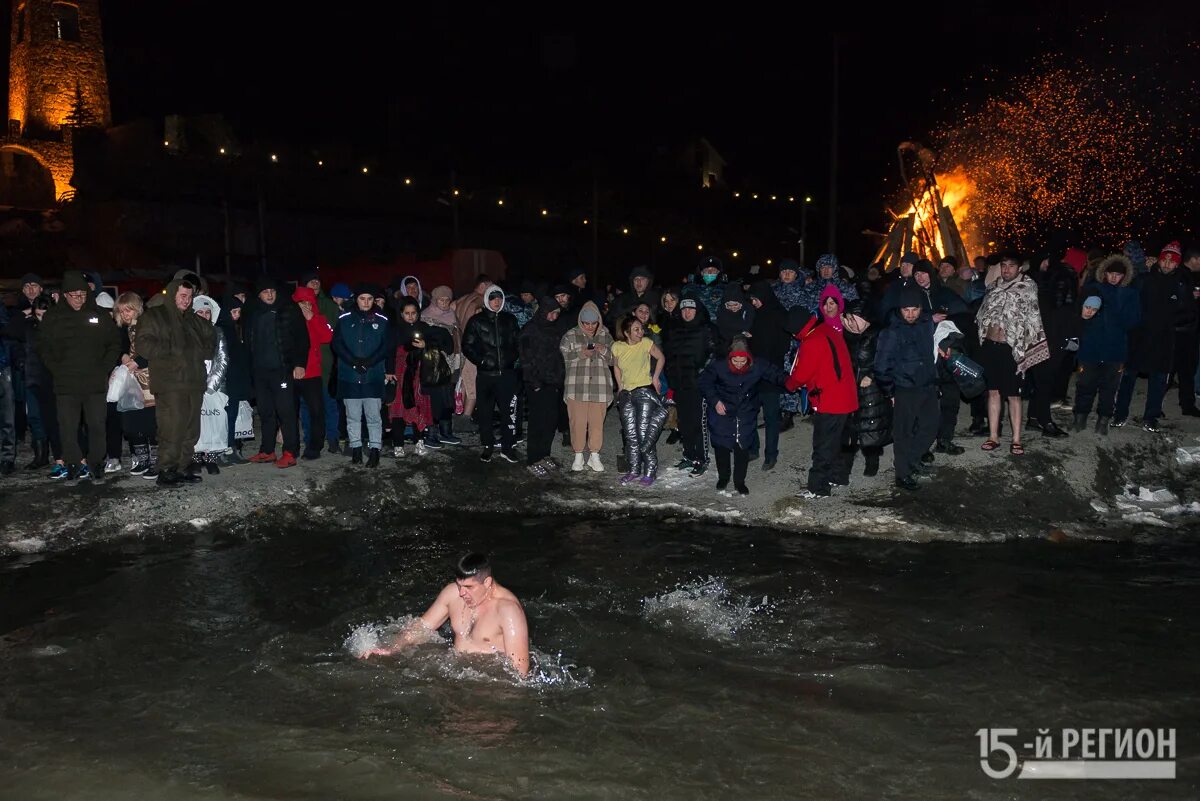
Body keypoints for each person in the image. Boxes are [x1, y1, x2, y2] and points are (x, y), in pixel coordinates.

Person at [360, 553, 530, 678]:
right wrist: (392, 648)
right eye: (459, 585)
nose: (462, 593)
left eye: (469, 587)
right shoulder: (452, 594)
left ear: (487, 582)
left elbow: (520, 671)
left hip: (484, 680)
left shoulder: (508, 611)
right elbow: (421, 628)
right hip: (454, 671)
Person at [35, 271, 122, 483]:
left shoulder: (100, 315)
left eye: (82, 294)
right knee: (68, 426)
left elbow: (114, 343)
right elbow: (43, 347)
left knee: (97, 425)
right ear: (64, 295)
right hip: (66, 383)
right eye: (73, 295)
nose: (78, 299)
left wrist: (104, 367)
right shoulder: (53, 318)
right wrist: (56, 368)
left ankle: (96, 463)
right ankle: (73, 462)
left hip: (94, 382)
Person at [135, 278, 215, 487]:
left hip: (194, 381)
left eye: (189, 297)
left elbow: (211, 337)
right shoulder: (155, 316)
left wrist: (198, 351)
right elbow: (143, 344)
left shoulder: (193, 320)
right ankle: (166, 470)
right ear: (172, 294)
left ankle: (182, 467)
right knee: (172, 427)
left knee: (191, 429)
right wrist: (172, 350)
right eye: (182, 296)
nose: (187, 301)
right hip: (170, 383)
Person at [1114, 241, 1195, 432]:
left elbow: (1189, 312)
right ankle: (1119, 415)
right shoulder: (1144, 279)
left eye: (1172, 260)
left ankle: (1150, 418)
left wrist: (1171, 324)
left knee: (1158, 381)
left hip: (1164, 340)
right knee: (1128, 377)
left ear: (1178, 263)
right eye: (1164, 259)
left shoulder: (1182, 283)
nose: (1167, 263)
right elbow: (1129, 304)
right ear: (1158, 260)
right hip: (1139, 337)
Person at [975, 253, 1046, 455]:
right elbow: (983, 313)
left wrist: (1025, 349)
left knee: (1014, 395)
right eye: (1004, 266)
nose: (1006, 270)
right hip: (990, 345)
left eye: (1011, 266)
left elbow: (1032, 319)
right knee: (993, 392)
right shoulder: (993, 287)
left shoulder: (1027, 288)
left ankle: (1016, 439)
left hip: (1011, 348)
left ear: (1019, 268)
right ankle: (993, 436)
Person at [698, 337, 788, 494]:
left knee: (742, 446)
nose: (739, 364)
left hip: (745, 410)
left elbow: (776, 374)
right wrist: (715, 401)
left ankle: (739, 481)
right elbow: (705, 382)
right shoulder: (718, 366)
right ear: (730, 358)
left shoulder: (757, 365)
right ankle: (723, 477)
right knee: (722, 446)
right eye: (735, 361)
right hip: (722, 410)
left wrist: (793, 381)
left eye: (742, 361)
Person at [784, 308, 858, 497]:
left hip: (830, 401)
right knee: (839, 441)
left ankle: (818, 488)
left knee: (823, 445)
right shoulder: (827, 329)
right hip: (846, 396)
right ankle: (839, 477)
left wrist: (789, 384)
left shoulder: (812, 341)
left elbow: (802, 374)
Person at [243, 276, 310, 468]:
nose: (270, 294)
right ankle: (267, 450)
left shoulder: (289, 308)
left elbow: (301, 338)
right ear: (259, 294)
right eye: (265, 292)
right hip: (260, 370)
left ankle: (290, 451)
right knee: (265, 412)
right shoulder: (252, 311)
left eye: (272, 291)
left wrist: (299, 364)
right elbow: (247, 341)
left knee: (286, 411)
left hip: (282, 369)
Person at [1072, 260, 1140, 435]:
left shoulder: (1130, 294)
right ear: (1104, 273)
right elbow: (1079, 314)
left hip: (1115, 349)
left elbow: (1133, 321)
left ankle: (1103, 421)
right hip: (1090, 346)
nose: (1113, 277)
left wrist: (1117, 306)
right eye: (1110, 273)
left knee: (1109, 388)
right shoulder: (1093, 289)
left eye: (1118, 274)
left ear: (1124, 276)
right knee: (1085, 384)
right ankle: (1080, 418)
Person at [462, 285, 521, 463]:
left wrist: (511, 358)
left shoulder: (509, 320)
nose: (497, 301)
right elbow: (467, 346)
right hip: (486, 375)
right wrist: (482, 361)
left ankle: (507, 447)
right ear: (487, 299)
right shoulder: (476, 321)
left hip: (507, 375)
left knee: (508, 412)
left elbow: (518, 343)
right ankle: (487, 445)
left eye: (500, 298)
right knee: (485, 413)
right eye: (493, 298)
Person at [332, 285, 390, 467]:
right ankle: (356, 449)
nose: (366, 302)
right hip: (349, 374)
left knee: (374, 416)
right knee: (353, 416)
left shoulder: (382, 319)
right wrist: (353, 361)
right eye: (362, 298)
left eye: (370, 299)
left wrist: (370, 362)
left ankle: (375, 451)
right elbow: (337, 343)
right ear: (356, 299)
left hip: (372, 375)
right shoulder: (344, 318)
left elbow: (386, 346)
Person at [838, 301, 890, 480]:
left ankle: (872, 459)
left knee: (871, 424)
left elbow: (886, 358)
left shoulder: (879, 334)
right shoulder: (846, 335)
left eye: (854, 319)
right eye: (848, 319)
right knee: (849, 427)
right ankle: (845, 465)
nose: (851, 323)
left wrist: (872, 376)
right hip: (850, 386)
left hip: (871, 388)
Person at [3, 294, 56, 473]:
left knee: (56, 420)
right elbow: (9, 331)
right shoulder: (28, 326)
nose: (42, 318)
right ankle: (41, 456)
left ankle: (61, 456)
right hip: (32, 378)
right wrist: (24, 313)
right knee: (35, 418)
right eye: (39, 314)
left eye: (45, 314)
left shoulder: (58, 327)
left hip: (54, 380)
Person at [663, 297, 716, 476]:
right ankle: (689, 455)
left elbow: (714, 355)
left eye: (691, 309)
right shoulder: (675, 329)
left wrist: (700, 373)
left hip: (697, 385)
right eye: (684, 309)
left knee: (698, 423)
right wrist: (671, 375)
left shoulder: (706, 329)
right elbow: (669, 355)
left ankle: (702, 458)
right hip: (680, 384)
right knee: (684, 422)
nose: (687, 313)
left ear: (697, 310)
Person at [612, 316, 667, 485]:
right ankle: (634, 470)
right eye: (636, 329)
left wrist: (656, 377)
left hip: (644, 391)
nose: (640, 332)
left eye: (641, 328)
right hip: (627, 394)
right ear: (626, 332)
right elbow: (616, 366)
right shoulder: (617, 346)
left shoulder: (646, 343)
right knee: (630, 435)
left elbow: (661, 358)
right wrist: (620, 387)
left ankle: (650, 471)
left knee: (644, 434)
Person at [560, 301, 614, 472]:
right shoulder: (570, 335)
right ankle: (578, 455)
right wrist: (581, 353)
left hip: (600, 387)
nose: (590, 327)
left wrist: (603, 350)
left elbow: (616, 359)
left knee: (597, 423)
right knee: (578, 423)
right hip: (577, 388)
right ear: (580, 321)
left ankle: (594, 455)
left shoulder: (606, 335)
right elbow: (562, 357)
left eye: (593, 323)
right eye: (586, 323)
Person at [746, 281, 793, 470]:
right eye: (752, 300)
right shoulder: (755, 315)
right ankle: (753, 449)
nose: (754, 303)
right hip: (754, 372)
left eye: (756, 299)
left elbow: (784, 344)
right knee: (750, 412)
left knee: (772, 416)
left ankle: (771, 455)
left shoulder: (779, 314)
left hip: (771, 372)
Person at [111, 292, 157, 478]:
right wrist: (122, 356)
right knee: (132, 421)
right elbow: (117, 348)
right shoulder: (121, 329)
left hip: (150, 380)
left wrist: (138, 361)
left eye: (128, 310)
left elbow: (155, 349)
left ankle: (156, 461)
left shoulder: (148, 325)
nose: (125, 314)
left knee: (151, 421)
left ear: (137, 308)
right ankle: (142, 459)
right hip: (131, 382)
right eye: (121, 311)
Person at [519, 295, 565, 476]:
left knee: (550, 420)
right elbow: (525, 358)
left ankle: (545, 454)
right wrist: (535, 383)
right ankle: (533, 459)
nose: (553, 317)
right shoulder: (530, 330)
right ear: (543, 311)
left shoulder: (554, 329)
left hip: (553, 382)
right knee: (538, 422)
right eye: (551, 313)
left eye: (556, 314)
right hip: (537, 383)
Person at [299, 269, 343, 453]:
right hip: (306, 365)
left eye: (317, 280)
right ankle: (310, 440)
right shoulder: (297, 307)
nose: (315, 283)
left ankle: (333, 438)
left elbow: (333, 335)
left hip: (327, 364)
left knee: (329, 404)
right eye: (311, 281)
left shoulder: (330, 307)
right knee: (307, 406)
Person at [291, 286, 334, 460]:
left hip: (313, 373)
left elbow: (327, 337)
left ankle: (315, 446)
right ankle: (291, 446)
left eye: (309, 302)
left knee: (316, 410)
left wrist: (312, 318)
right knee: (291, 412)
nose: (306, 306)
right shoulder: (289, 319)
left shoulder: (318, 318)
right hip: (292, 372)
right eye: (302, 302)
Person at [190, 295, 229, 476]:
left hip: (214, 387)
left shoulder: (218, 332)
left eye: (207, 312)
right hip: (192, 385)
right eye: (200, 312)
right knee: (195, 422)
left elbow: (222, 359)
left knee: (214, 422)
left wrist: (210, 386)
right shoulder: (187, 332)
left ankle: (211, 458)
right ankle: (196, 457)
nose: (204, 315)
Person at [420, 285, 463, 446]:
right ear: (434, 300)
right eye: (441, 300)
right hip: (435, 366)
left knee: (447, 399)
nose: (444, 303)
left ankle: (446, 432)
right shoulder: (426, 317)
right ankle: (431, 435)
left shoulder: (452, 314)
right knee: (434, 401)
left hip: (453, 364)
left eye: (447, 300)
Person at [454, 275, 491, 421]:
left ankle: (458, 415)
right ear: (483, 285)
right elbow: (472, 316)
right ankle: (465, 418)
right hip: (471, 345)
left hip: (460, 345)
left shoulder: (462, 299)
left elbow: (451, 308)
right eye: (490, 286)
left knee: (463, 382)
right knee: (472, 385)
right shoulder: (479, 299)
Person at [608, 265, 661, 329]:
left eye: (642, 279)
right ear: (632, 282)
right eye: (636, 279)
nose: (639, 282)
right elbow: (611, 319)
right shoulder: (622, 299)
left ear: (648, 281)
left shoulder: (657, 298)